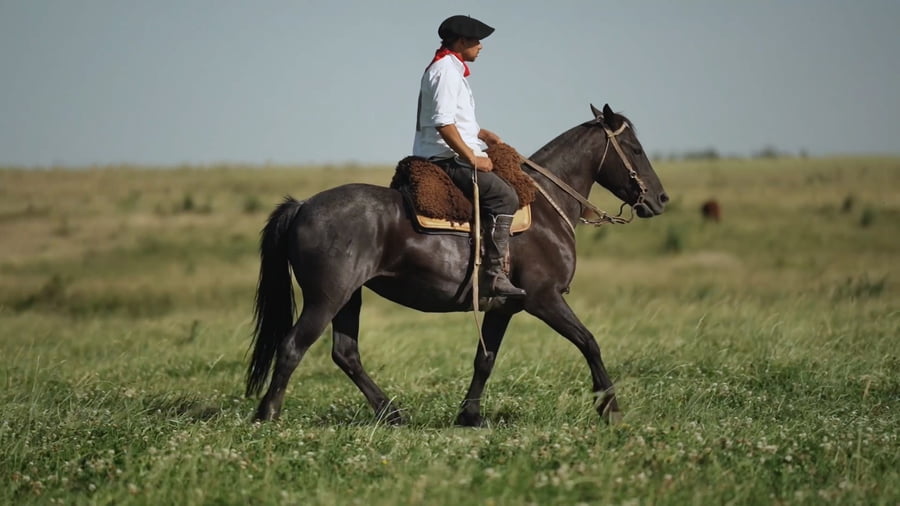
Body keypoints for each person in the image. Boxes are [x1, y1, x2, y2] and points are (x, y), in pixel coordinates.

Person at [413, 14, 526, 298]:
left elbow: (458, 121)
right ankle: (494, 274)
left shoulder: (451, 69)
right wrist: (473, 158)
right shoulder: (446, 72)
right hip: (446, 158)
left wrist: (481, 133)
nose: (481, 46)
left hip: (451, 151)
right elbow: (444, 123)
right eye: (476, 41)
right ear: (461, 41)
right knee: (506, 197)